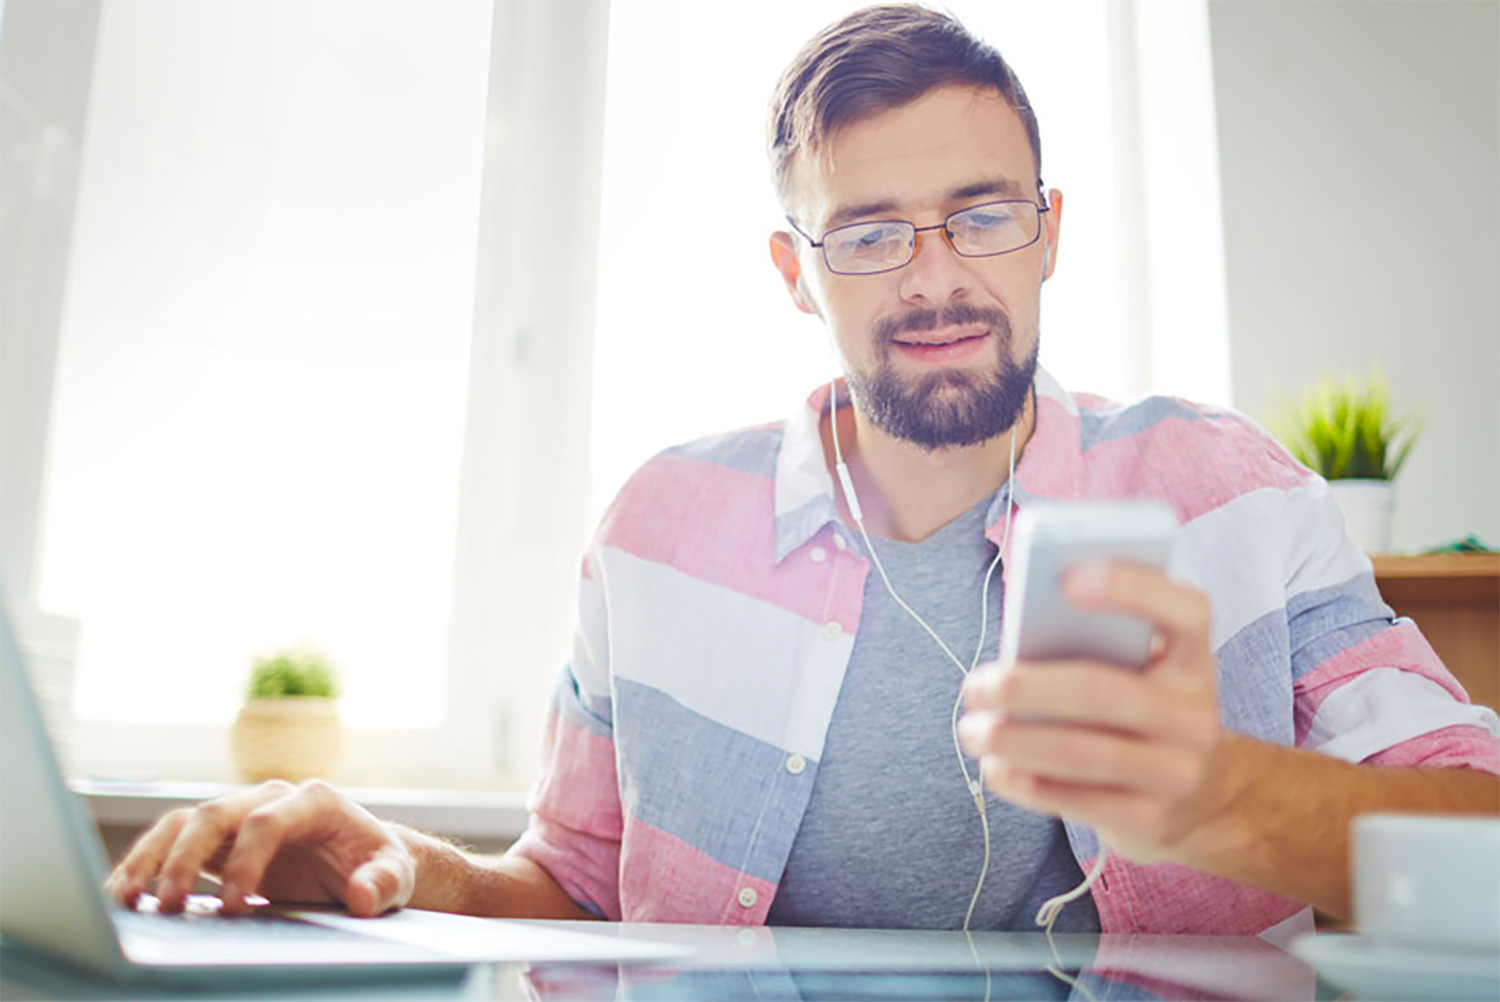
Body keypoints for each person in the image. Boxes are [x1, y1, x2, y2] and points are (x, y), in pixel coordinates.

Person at [107, 4, 1499, 937]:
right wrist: (398, 867)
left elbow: (1482, 843)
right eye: (871, 235)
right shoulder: (660, 529)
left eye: (982, 215)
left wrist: (1221, 798)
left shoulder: (1229, 491)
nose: (937, 279)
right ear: (795, 272)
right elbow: (580, 891)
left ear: (1050, 232)